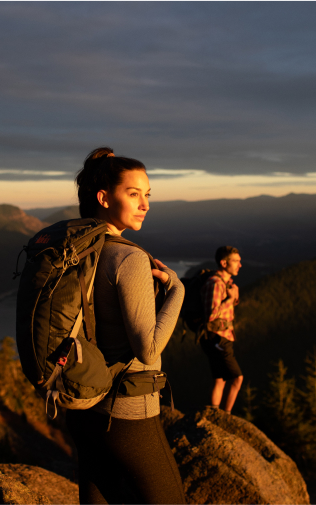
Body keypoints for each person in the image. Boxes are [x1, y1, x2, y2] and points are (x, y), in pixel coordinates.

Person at [66, 147, 186, 504]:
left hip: (83, 405)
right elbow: (147, 349)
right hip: (127, 411)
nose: (145, 204)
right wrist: (176, 289)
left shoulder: (75, 249)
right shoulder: (128, 257)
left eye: (147, 195)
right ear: (104, 198)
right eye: (133, 194)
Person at [200, 246, 243, 413]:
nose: (240, 265)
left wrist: (234, 298)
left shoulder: (226, 283)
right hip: (218, 337)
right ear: (224, 263)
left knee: (220, 378)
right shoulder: (215, 284)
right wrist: (230, 299)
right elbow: (210, 315)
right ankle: (226, 415)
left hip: (221, 336)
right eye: (236, 261)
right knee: (237, 378)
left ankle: (214, 411)